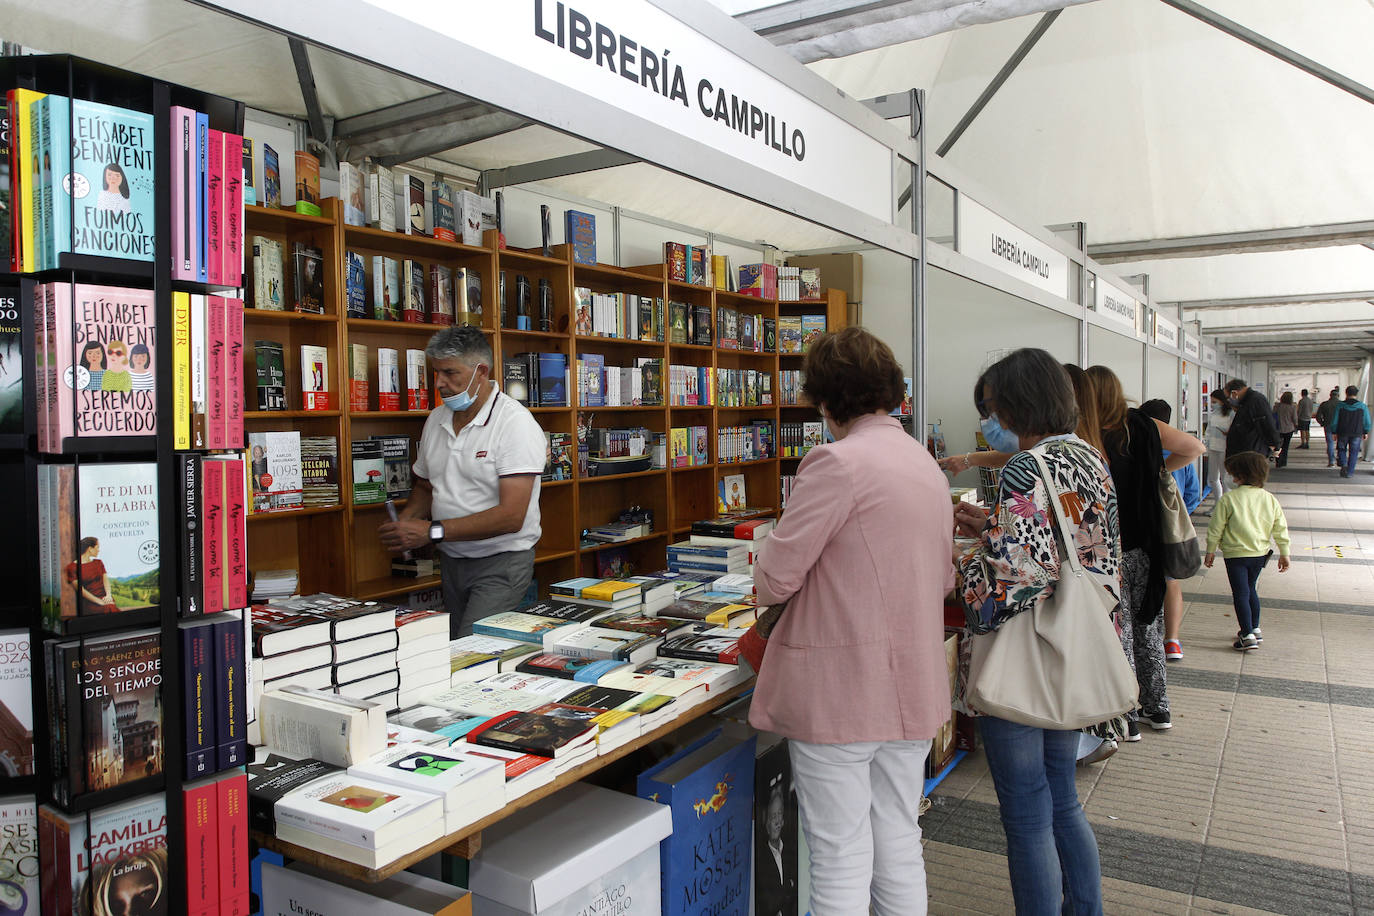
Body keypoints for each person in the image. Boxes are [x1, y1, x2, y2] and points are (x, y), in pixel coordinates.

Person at [748, 327, 953, 916]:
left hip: (841, 693)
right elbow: (942, 579)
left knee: (837, 854)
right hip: (911, 688)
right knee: (897, 838)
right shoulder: (924, 464)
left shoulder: (836, 463)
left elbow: (775, 578)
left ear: (827, 399)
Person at [956, 349, 1118, 915]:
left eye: (993, 407)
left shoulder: (1026, 466)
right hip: (1074, 647)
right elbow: (1071, 546)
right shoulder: (1088, 457)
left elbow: (1010, 584)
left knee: (1026, 813)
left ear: (1016, 404)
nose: (989, 420)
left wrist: (965, 564)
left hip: (1026, 656)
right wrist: (993, 530)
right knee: (1064, 800)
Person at [379, 326, 547, 636]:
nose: (439, 382)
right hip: (452, 562)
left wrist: (431, 531)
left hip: (501, 562)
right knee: (454, 649)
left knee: (473, 651)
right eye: (436, 372)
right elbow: (427, 485)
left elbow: (512, 517)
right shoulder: (436, 419)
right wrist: (407, 522)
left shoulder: (515, 424)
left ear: (480, 372)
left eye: (449, 372)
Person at [1086, 365, 1204, 737]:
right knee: (1147, 626)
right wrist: (1156, 469)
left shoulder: (1088, 433)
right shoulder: (1143, 424)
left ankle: (1127, 716)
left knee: (1117, 632)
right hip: (1146, 544)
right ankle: (1158, 708)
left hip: (1108, 546)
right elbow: (1195, 448)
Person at [1204, 452, 1290, 651]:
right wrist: (1284, 552)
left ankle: (1247, 634)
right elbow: (1280, 527)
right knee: (1251, 589)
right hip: (1259, 553)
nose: (1232, 478)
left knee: (1240, 593)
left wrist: (1210, 549)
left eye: (1234, 475)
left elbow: (1216, 527)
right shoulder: (1269, 499)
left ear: (1240, 476)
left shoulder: (1229, 499)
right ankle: (1255, 628)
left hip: (1235, 555)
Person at [1140, 400, 1201, 663]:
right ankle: (1172, 641)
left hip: (1142, 530)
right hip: (1170, 532)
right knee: (1171, 582)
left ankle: (1144, 635)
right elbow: (1193, 495)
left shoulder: (1137, 454)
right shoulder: (1182, 456)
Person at [1223, 379, 1280, 459]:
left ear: (1234, 393)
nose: (1229, 400)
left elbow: (1267, 424)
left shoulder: (1256, 400)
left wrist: (1275, 445)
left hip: (1251, 453)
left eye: (1228, 397)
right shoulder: (1246, 401)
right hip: (1246, 451)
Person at [64, 537, 119, 614]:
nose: (99, 550)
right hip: (89, 602)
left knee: (110, 607)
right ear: (90, 548)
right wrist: (99, 601)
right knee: (110, 608)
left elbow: (106, 581)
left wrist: (109, 596)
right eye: (97, 547)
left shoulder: (99, 563)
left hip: (105, 598)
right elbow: (81, 590)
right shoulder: (72, 567)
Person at [1332, 385, 1372, 478]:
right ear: (1356, 394)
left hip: (1342, 432)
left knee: (1342, 449)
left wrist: (1334, 432)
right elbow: (1367, 421)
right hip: (1357, 433)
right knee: (1354, 452)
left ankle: (1344, 464)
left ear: (1346, 393)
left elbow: (1335, 420)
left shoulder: (1340, 406)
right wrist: (1365, 431)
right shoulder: (1362, 406)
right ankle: (1349, 472)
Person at [1316, 387, 1343, 467]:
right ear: (1338, 395)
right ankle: (1340, 459)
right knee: (1341, 443)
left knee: (1330, 443)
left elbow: (1318, 416)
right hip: (1340, 426)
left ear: (1330, 395)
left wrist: (1322, 423)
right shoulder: (1342, 404)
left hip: (1328, 425)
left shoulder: (1324, 404)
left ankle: (1331, 461)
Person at [1273, 391, 1298, 468]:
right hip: (1289, 429)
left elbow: (1272, 415)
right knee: (1285, 446)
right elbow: (1294, 418)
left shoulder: (1277, 406)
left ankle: (1278, 461)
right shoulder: (1292, 407)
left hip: (1278, 429)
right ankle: (1283, 461)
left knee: (1278, 446)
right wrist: (1296, 425)